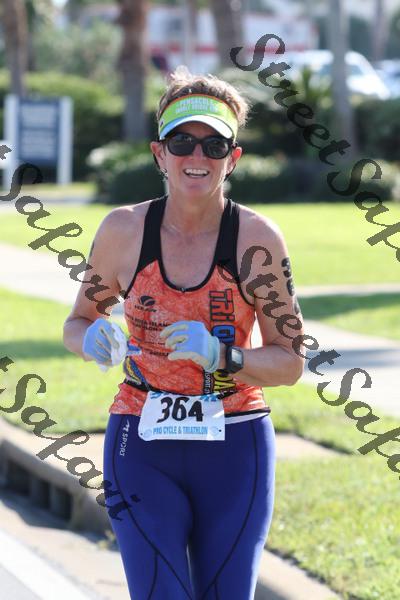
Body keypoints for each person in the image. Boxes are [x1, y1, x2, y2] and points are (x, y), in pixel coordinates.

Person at [63, 65, 304, 600]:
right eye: (181, 143)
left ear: (233, 158)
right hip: (141, 440)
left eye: (213, 146)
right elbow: (77, 321)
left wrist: (223, 356)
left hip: (235, 442)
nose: (197, 157)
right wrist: (91, 339)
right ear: (159, 154)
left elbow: (290, 362)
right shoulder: (124, 230)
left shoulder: (257, 240)